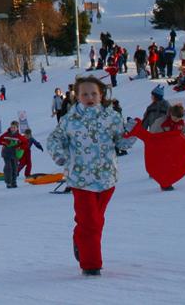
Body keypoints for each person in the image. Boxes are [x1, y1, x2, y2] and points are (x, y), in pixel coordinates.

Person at [47, 76, 134, 276]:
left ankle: (80, 240)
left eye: (93, 93)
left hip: (106, 178)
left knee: (96, 221)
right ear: (76, 97)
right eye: (84, 94)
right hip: (81, 179)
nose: (90, 97)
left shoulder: (111, 117)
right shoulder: (70, 119)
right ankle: (91, 264)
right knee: (90, 222)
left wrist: (132, 133)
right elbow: (54, 139)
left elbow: (121, 144)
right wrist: (59, 155)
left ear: (101, 95)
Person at [0, 121, 25, 188]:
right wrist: (4, 143)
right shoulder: (6, 134)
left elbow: (25, 144)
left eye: (14, 127)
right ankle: (8, 182)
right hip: (6, 153)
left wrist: (20, 147)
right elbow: (0, 140)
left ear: (17, 128)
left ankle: (14, 182)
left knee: (15, 168)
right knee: (8, 167)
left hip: (15, 154)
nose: (12, 129)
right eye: (11, 127)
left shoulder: (19, 136)